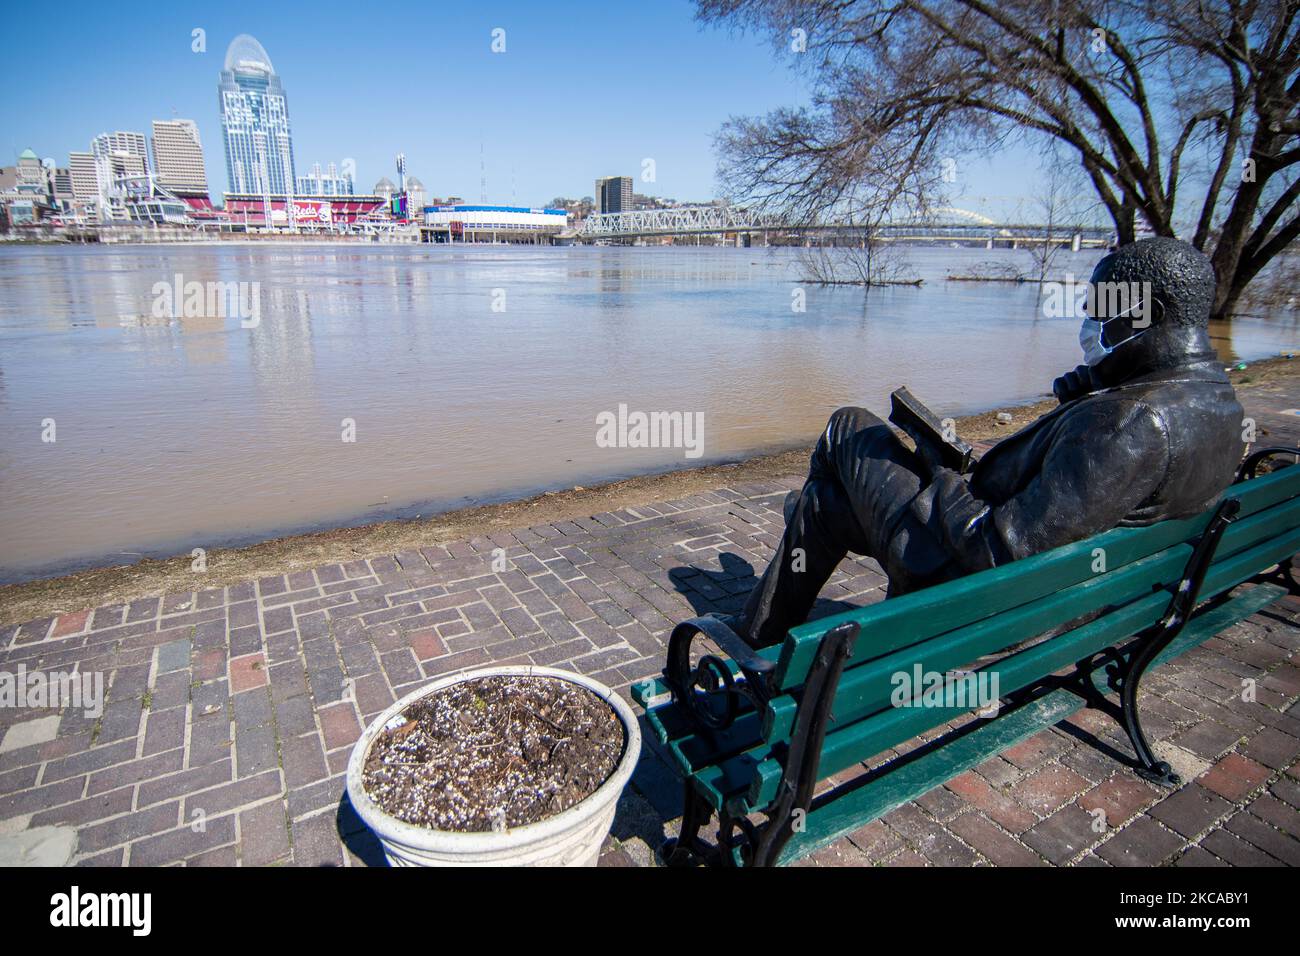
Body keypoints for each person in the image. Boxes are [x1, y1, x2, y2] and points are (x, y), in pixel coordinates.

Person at [734, 237, 1246, 648]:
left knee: (849, 426)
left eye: (1099, 308)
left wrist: (944, 472)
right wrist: (1087, 397)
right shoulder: (1219, 403)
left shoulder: (1130, 422)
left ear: (1143, 312)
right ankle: (802, 536)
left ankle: (774, 590)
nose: (1089, 322)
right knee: (825, 505)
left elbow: (995, 551)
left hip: (972, 596)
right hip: (1086, 598)